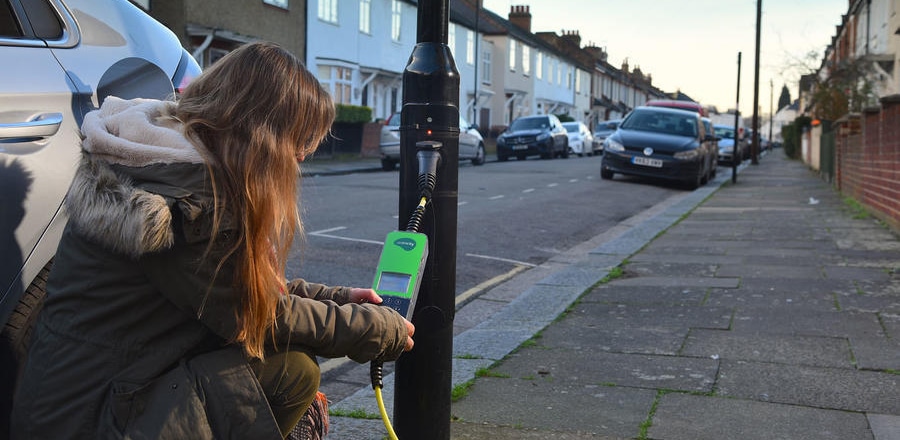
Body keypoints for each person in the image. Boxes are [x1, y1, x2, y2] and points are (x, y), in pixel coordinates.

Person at [10, 42, 414, 439]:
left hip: (69, 403)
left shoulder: (160, 160)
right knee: (292, 372)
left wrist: (337, 298)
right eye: (299, 140)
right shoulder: (191, 203)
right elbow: (256, 315)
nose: (301, 157)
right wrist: (375, 330)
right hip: (91, 421)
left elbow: (233, 286)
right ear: (262, 134)